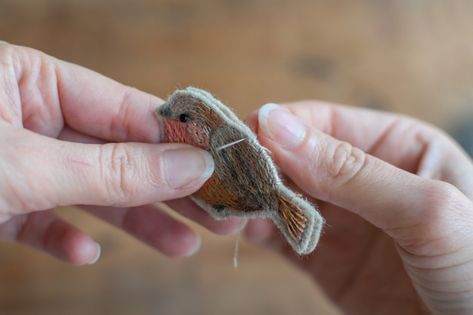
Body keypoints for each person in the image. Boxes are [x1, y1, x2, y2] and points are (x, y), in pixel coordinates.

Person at [1, 42, 472, 315]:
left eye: (179, 116)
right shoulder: (195, 137)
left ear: (198, 121)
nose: (170, 120)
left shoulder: (224, 138)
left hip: (257, 195)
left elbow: (252, 184)